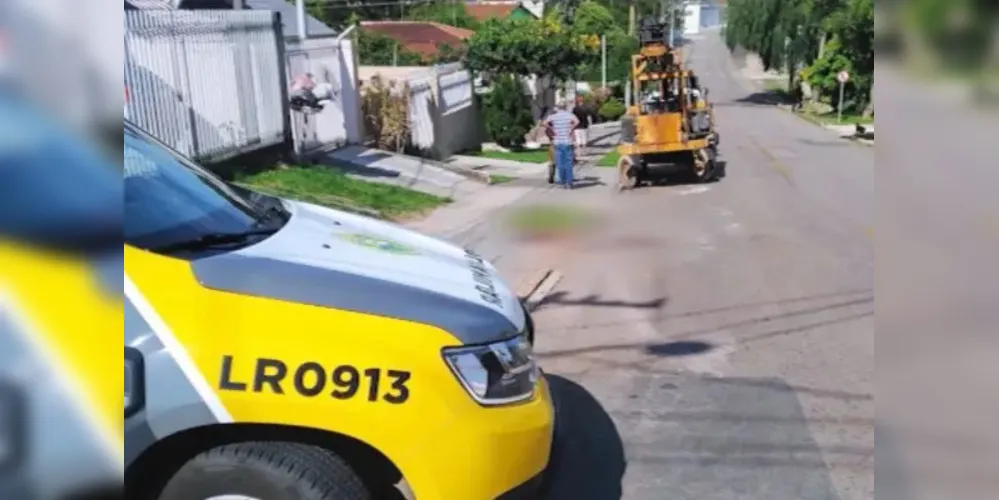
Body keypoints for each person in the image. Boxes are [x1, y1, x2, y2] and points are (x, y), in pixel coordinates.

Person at [543, 100, 580, 189]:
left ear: (557, 107)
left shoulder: (553, 116)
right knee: (568, 163)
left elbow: (544, 123)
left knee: (560, 163)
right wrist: (571, 127)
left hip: (558, 142)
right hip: (567, 142)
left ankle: (563, 181)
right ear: (565, 107)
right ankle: (569, 182)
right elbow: (577, 121)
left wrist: (552, 128)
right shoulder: (570, 115)